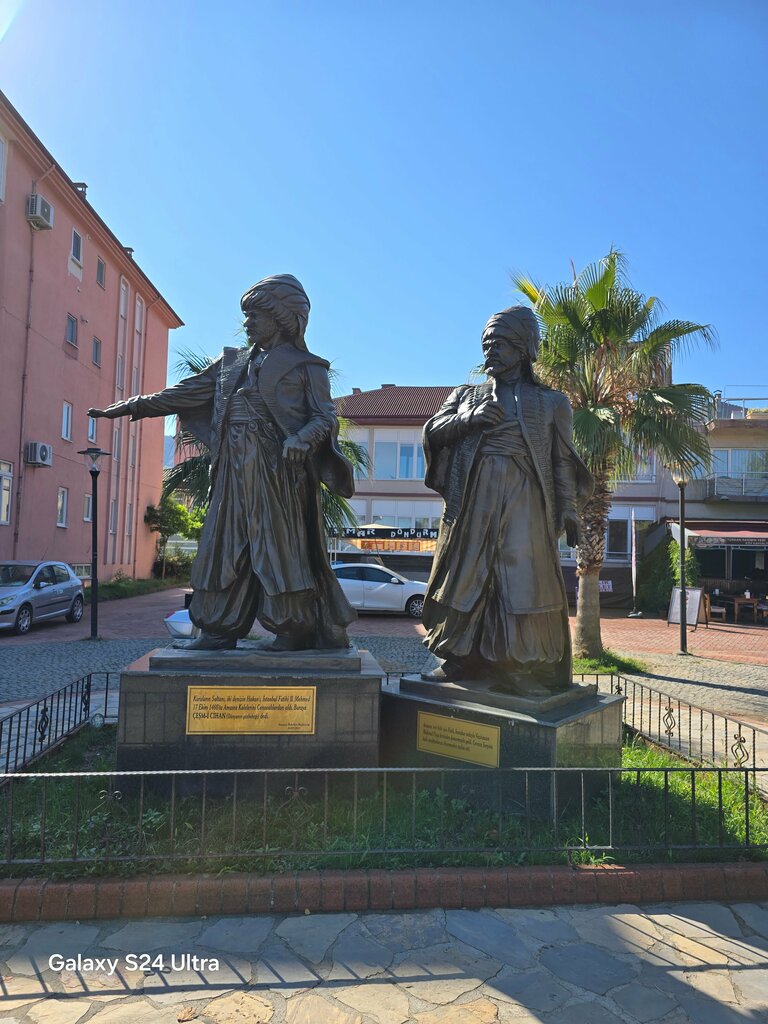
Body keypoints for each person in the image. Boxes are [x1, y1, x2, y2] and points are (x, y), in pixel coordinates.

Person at [89, 274, 355, 651]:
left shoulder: (307, 367)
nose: (246, 324)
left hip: (277, 471)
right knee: (222, 546)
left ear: (281, 319)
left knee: (278, 549)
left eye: (254, 316)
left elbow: (325, 417)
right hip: (231, 469)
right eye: (245, 316)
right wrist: (131, 406)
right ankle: (218, 628)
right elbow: (183, 393)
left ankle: (293, 629)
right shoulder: (230, 364)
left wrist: (301, 439)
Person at [421, 306, 592, 693]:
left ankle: (520, 667)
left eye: (499, 344)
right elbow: (434, 431)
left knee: (522, 582)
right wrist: (469, 419)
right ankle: (459, 657)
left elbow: (561, 460)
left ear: (523, 348)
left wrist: (567, 509)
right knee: (466, 574)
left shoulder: (551, 402)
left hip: (525, 501)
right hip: (474, 501)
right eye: (486, 345)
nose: (490, 353)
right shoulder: (467, 394)